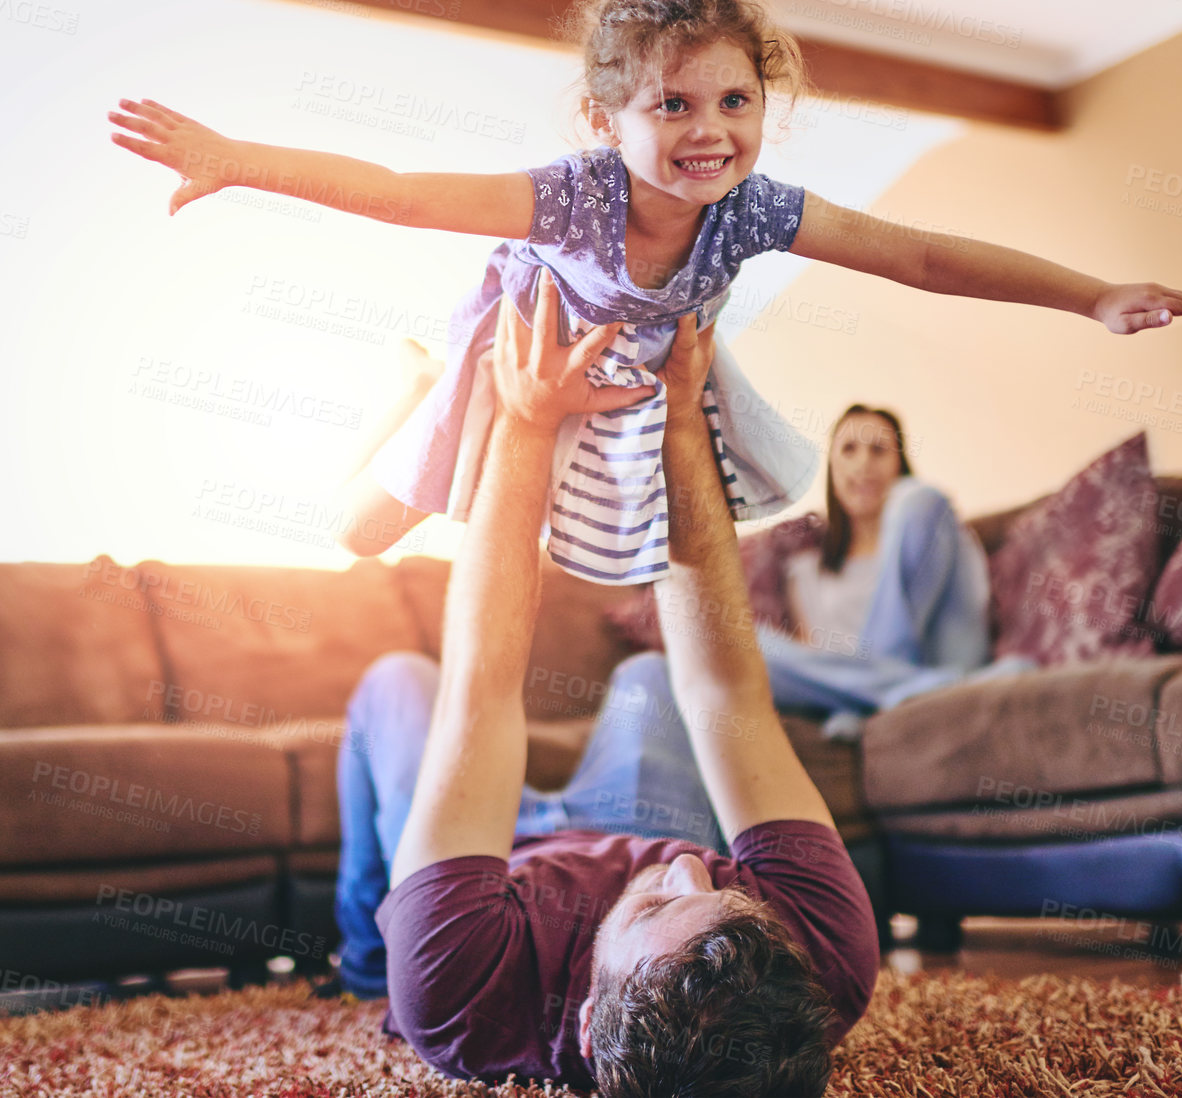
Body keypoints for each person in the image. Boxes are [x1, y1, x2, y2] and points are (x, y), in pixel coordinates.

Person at [108, 0, 1182, 587]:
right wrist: (236, 161)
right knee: (362, 537)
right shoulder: (567, 196)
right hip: (529, 353)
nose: (710, 132)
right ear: (608, 119)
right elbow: (400, 190)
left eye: (735, 101)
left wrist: (1091, 294)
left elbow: (919, 256)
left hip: (649, 371)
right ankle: (414, 380)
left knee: (676, 551)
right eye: (673, 105)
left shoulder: (753, 210)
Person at [328, 273, 880, 1095]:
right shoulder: (821, 953)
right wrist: (683, 417)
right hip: (630, 822)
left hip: (489, 873)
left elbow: (481, 694)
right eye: (736, 903)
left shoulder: (460, 993)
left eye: (661, 910)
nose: (696, 871)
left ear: (588, 1020)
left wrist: (526, 416)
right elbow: (725, 694)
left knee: (397, 680)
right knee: (657, 676)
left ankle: (367, 953)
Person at [750, 404, 1033, 744]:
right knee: (749, 646)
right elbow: (821, 663)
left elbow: (968, 606)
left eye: (879, 450)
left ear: (900, 465)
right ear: (832, 469)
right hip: (864, 684)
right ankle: (924, 691)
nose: (864, 463)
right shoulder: (806, 572)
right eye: (850, 449)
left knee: (924, 500)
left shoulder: (933, 527)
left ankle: (878, 698)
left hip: (944, 653)